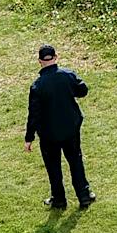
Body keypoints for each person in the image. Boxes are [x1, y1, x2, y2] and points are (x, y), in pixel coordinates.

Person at [24, 44, 93, 212]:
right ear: (56, 57)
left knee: (53, 167)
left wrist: (29, 138)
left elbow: (33, 114)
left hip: (49, 135)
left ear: (39, 61)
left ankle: (59, 200)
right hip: (70, 128)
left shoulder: (37, 86)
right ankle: (84, 196)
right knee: (75, 160)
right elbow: (82, 90)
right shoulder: (68, 75)